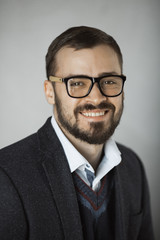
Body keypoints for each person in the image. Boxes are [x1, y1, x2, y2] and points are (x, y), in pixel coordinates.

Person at [0, 26, 154, 240]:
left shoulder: (133, 167)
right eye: (78, 83)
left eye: (109, 81)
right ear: (49, 91)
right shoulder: (6, 177)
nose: (96, 98)